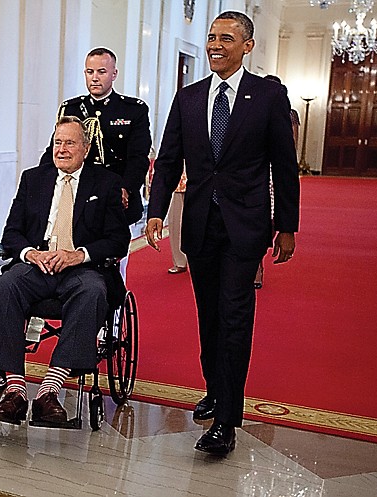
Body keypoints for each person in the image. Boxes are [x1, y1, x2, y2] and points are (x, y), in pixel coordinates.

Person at [145, 11, 300, 456]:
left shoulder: (268, 96)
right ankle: (216, 389)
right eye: (211, 37)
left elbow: (284, 167)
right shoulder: (189, 98)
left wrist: (286, 226)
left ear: (246, 46)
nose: (215, 45)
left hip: (244, 227)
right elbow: (169, 159)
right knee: (208, 317)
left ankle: (227, 421)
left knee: (235, 320)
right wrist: (156, 213)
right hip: (200, 226)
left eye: (226, 38)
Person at [0, 116, 130, 425]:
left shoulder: (106, 183)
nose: (62, 149)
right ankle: (15, 389)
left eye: (70, 143)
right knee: (4, 287)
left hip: (82, 270)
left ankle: (50, 389)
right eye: (57, 142)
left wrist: (80, 255)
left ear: (86, 149)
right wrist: (31, 253)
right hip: (38, 265)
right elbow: (11, 234)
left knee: (92, 291)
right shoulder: (33, 179)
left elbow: (119, 241)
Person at [40, 47, 152, 227]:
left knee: (114, 251)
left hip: (116, 195)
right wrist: (41, 181)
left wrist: (126, 189)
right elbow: (54, 150)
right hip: (78, 195)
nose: (95, 78)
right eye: (90, 72)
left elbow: (138, 158)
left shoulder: (133, 110)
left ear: (114, 74)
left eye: (102, 72)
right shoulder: (71, 109)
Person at [254, 74, 301, 289]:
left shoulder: (290, 114)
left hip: (275, 171)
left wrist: (287, 227)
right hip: (256, 171)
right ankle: (256, 262)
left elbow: (291, 145)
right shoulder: (251, 108)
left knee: (270, 218)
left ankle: (259, 254)